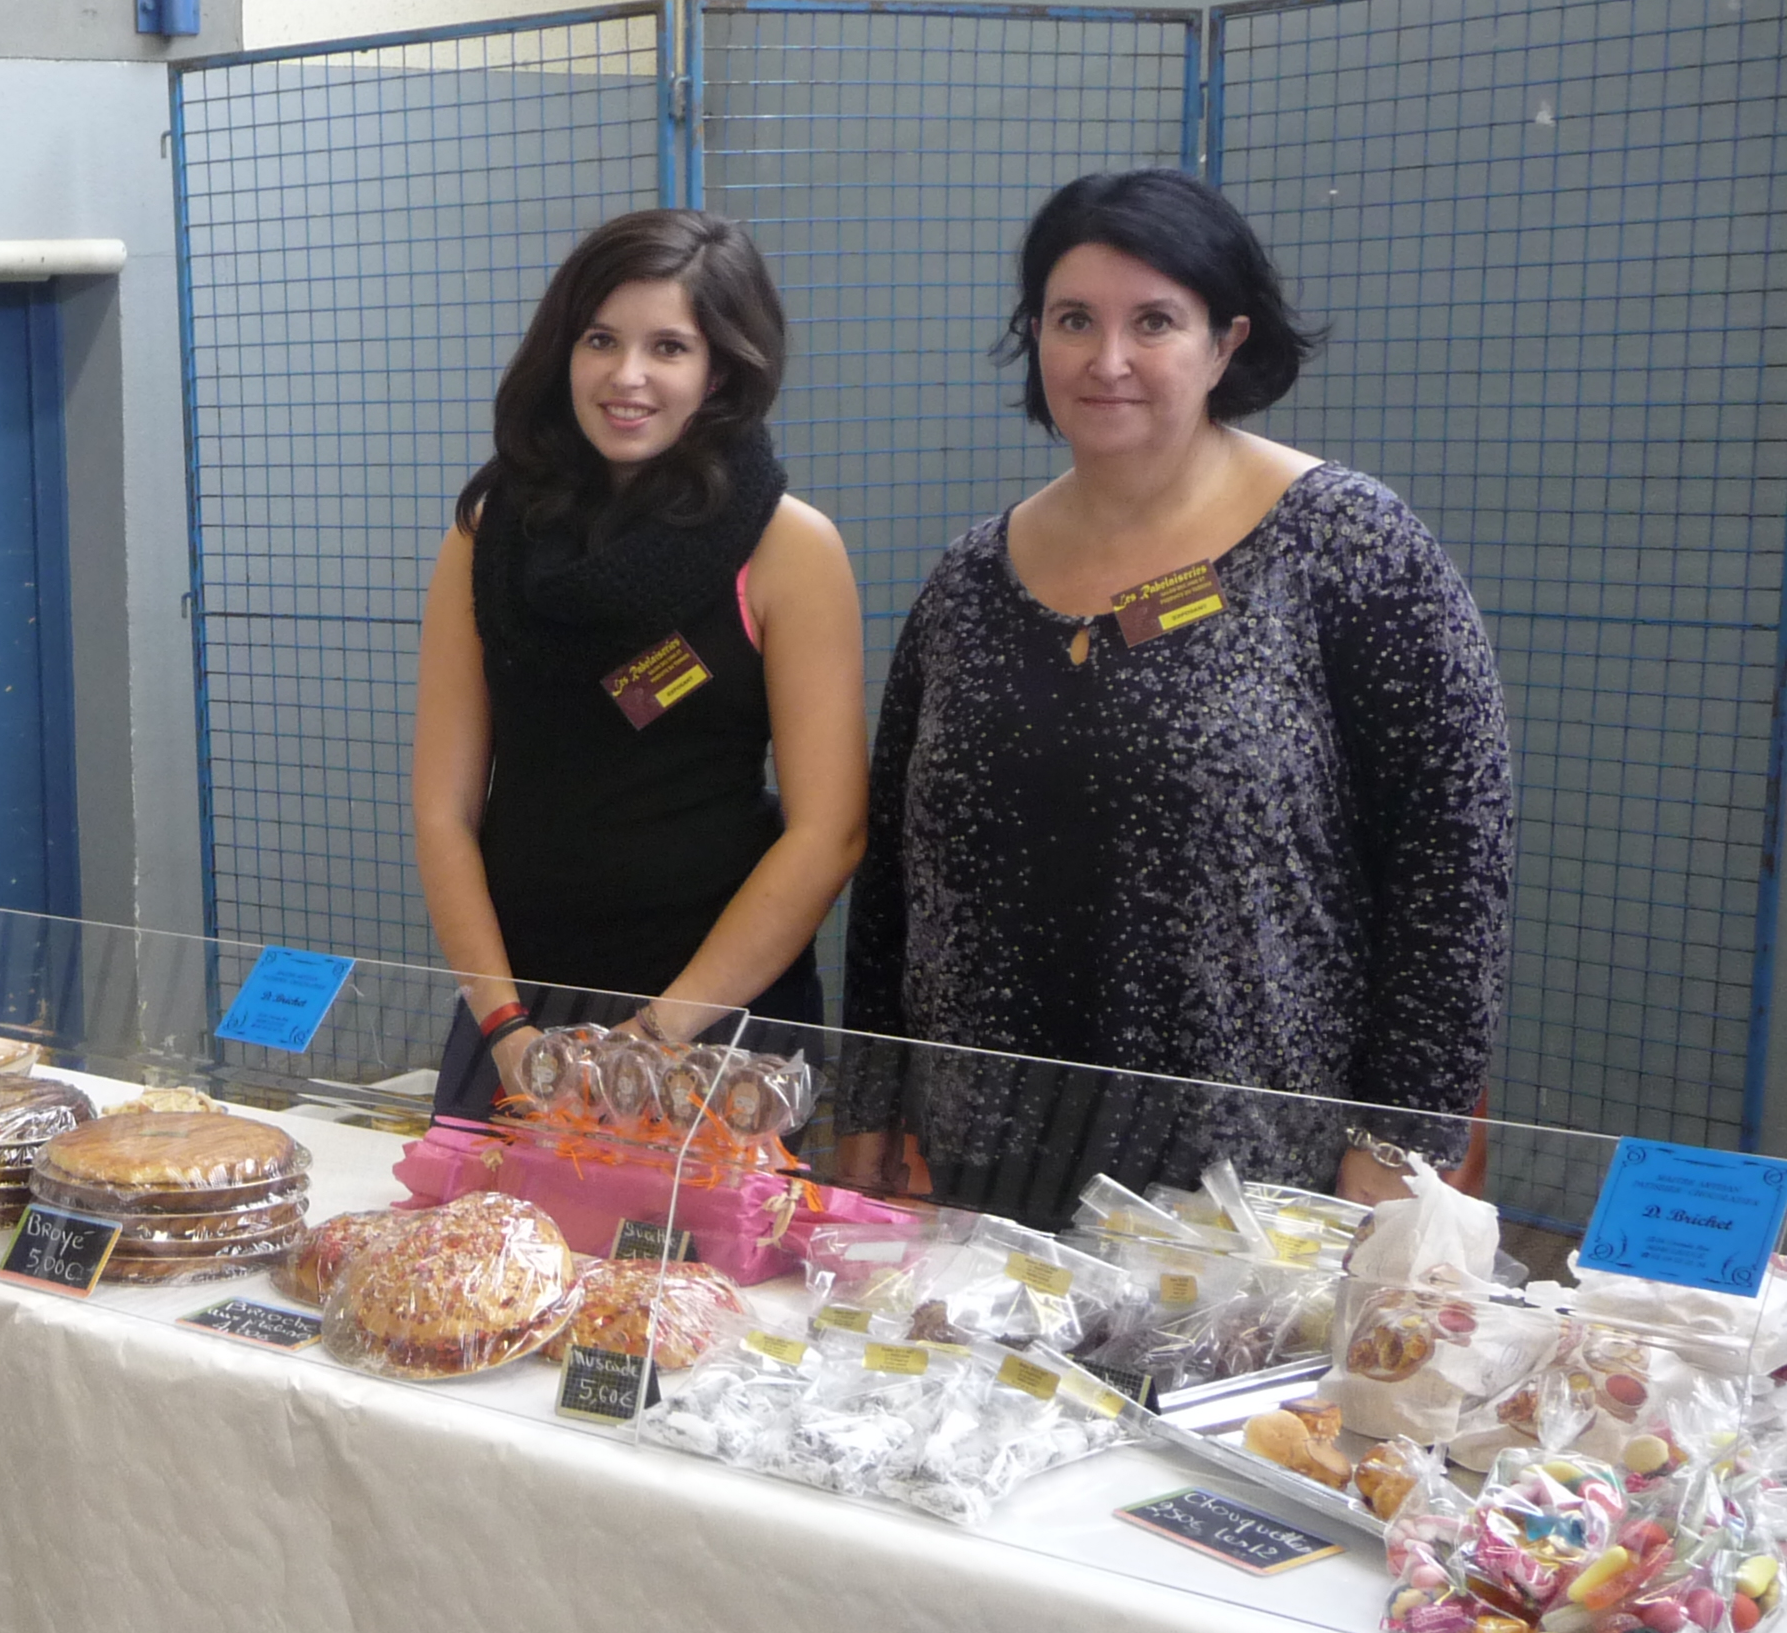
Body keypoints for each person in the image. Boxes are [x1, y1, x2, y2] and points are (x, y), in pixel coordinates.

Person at [838, 168, 1513, 1216]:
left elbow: (1454, 864)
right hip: (986, 1170)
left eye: (1153, 321)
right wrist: (872, 1101)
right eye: (1074, 319)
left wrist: (1397, 1140)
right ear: (1034, 334)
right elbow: (896, 868)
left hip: (1247, 1192)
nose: (1107, 360)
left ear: (1226, 342)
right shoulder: (969, 581)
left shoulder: (1349, 546)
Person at [412, 210, 866, 1119]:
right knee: (484, 1219)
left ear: (721, 369)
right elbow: (443, 809)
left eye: (669, 347)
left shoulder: (790, 548)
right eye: (600, 340)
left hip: (709, 1020)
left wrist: (650, 1041)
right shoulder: (486, 538)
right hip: (520, 1018)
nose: (627, 376)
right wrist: (505, 1027)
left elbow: (830, 834)